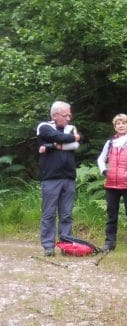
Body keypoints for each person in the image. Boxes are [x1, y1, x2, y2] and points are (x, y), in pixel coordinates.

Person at [96, 114, 127, 252]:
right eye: (118, 123)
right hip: (111, 184)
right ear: (115, 126)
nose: (121, 125)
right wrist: (104, 172)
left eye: (124, 123)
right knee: (111, 215)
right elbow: (101, 159)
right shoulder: (110, 143)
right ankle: (109, 242)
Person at [36, 101, 80, 256]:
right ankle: (48, 245)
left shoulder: (71, 128)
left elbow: (75, 145)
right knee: (49, 213)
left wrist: (51, 146)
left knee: (66, 213)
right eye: (65, 115)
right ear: (55, 115)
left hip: (68, 177)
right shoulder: (44, 126)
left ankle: (66, 245)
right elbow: (56, 136)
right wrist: (63, 141)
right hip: (51, 178)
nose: (69, 118)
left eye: (69, 114)